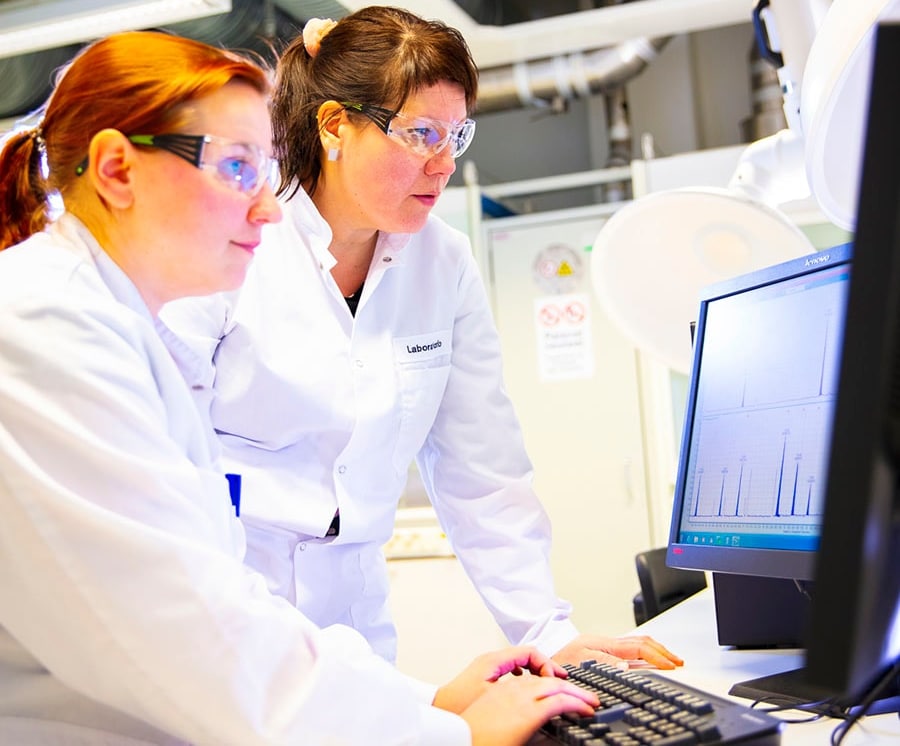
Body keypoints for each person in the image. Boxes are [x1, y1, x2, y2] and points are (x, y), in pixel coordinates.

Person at [0, 30, 600, 746]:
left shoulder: (111, 322)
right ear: (117, 171)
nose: (268, 207)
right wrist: (444, 731)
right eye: (235, 167)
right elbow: (183, 626)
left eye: (265, 167)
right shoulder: (43, 328)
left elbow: (210, 599)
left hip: (264, 687)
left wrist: (424, 703)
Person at [162, 4, 683, 674]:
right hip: (222, 619)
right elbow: (163, 454)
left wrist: (547, 632)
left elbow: (482, 471)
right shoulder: (237, 245)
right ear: (335, 127)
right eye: (421, 134)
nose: (442, 164)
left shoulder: (444, 263)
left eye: (457, 136)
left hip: (355, 632)